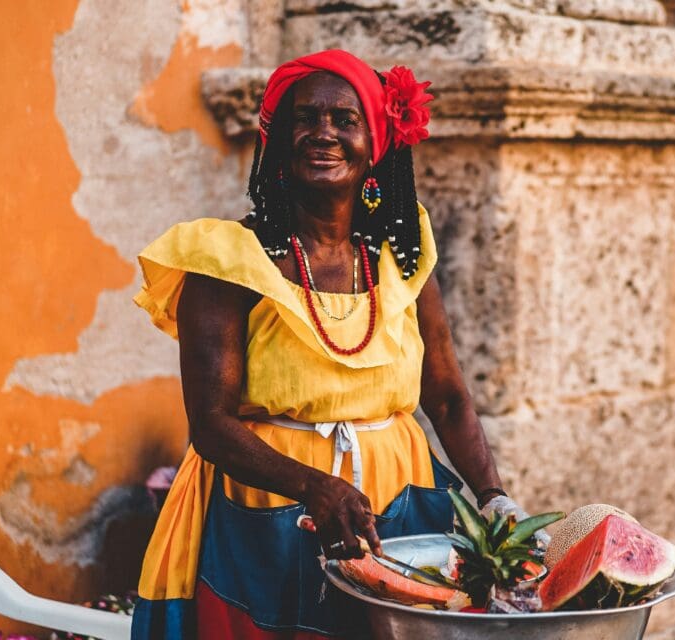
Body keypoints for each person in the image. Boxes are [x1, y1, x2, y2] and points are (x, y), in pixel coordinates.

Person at [130, 49, 529, 639]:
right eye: (305, 117)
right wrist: (314, 486)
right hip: (266, 512)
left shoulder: (401, 257)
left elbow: (445, 397)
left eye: (345, 120)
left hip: (398, 506)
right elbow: (211, 424)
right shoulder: (227, 263)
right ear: (278, 139)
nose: (324, 134)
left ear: (376, 143)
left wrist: (494, 499)